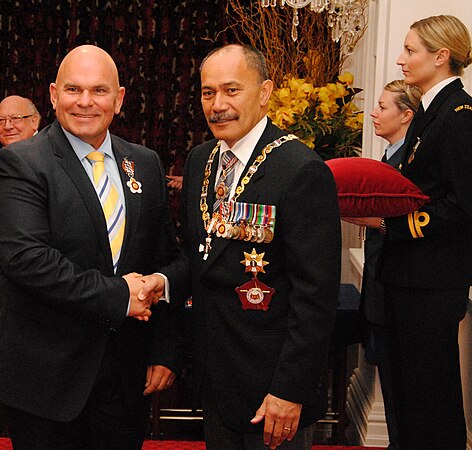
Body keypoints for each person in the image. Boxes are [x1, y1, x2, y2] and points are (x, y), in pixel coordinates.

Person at [0, 45, 181, 450]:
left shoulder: (145, 163)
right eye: (73, 89)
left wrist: (167, 349)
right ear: (53, 95)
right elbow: (27, 261)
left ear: (119, 99)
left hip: (125, 376)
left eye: (99, 90)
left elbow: (168, 259)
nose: (85, 102)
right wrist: (121, 295)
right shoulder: (21, 162)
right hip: (45, 377)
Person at [140, 44, 342, 449]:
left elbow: (316, 297)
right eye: (208, 92)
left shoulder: (301, 170)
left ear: (265, 92)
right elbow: (200, 258)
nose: (218, 105)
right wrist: (163, 281)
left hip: (273, 389)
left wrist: (289, 390)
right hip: (215, 378)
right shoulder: (200, 160)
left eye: (232, 90)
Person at [344, 15, 472, 450]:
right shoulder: (431, 110)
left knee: (431, 402)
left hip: (431, 283)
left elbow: (461, 206)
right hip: (409, 278)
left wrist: (389, 222)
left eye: (411, 51)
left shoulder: (458, 116)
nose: (400, 60)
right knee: (405, 398)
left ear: (441, 57)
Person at [361, 80, 421, 450]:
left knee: (407, 392)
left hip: (399, 289)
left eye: (383, 107)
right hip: (380, 288)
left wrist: (371, 218)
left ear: (406, 115)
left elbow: (398, 222)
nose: (374, 113)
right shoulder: (388, 159)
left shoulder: (407, 165)